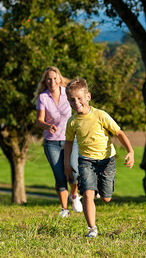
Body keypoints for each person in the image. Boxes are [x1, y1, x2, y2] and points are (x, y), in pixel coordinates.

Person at [64, 78, 134, 238]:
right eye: (72, 100)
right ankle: (92, 229)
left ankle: (99, 190)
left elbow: (119, 133)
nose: (76, 103)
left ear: (88, 96)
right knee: (88, 193)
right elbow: (68, 143)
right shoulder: (72, 122)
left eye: (79, 98)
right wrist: (67, 163)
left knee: (106, 198)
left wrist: (130, 151)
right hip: (85, 161)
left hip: (106, 161)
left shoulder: (100, 115)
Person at [34, 66, 83, 217]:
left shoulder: (67, 94)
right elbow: (39, 121)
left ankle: (74, 196)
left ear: (59, 79)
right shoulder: (43, 97)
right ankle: (65, 209)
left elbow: (79, 109)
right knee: (60, 176)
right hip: (52, 143)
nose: (52, 81)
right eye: (49, 79)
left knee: (73, 171)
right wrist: (48, 126)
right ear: (45, 81)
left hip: (70, 140)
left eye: (55, 78)